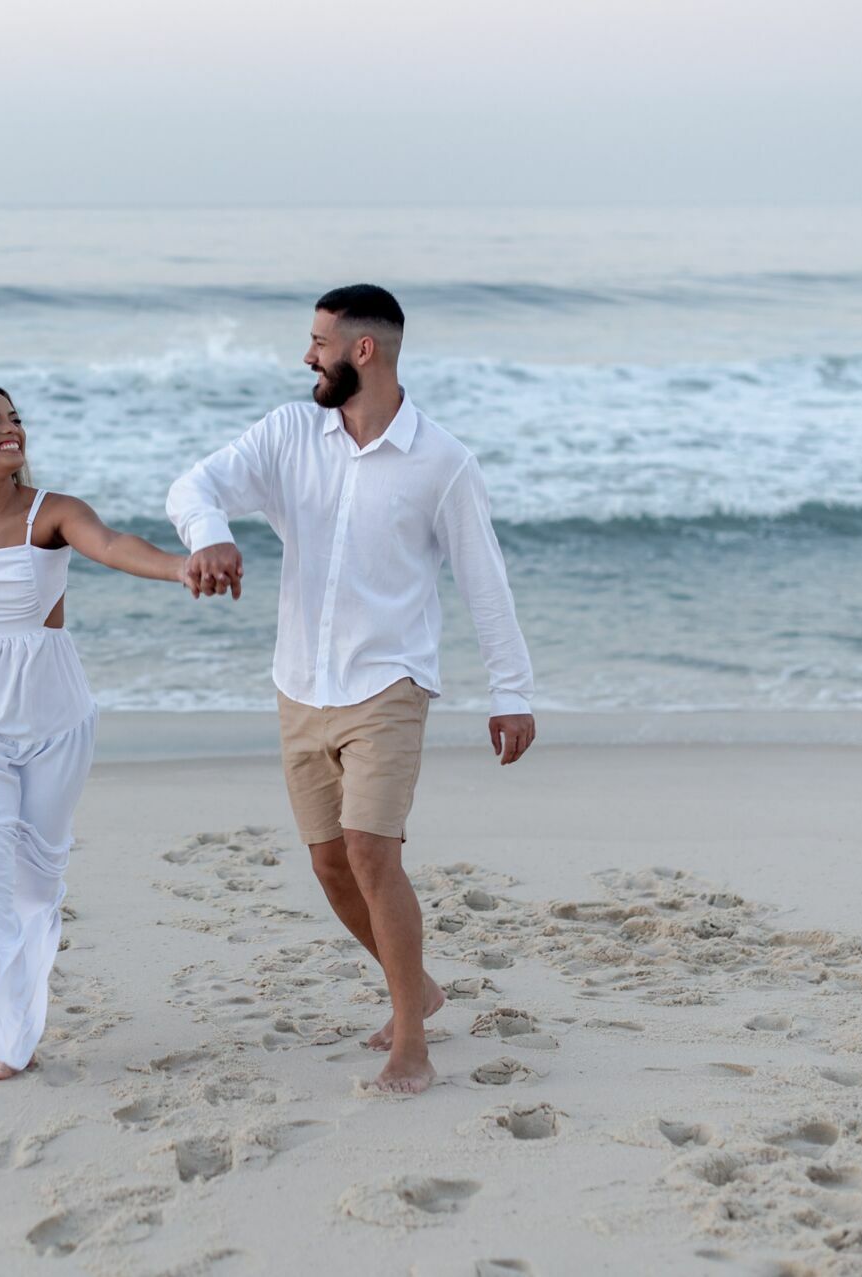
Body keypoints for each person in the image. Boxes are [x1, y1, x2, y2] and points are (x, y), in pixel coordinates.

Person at [166, 284, 537, 1094]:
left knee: (372, 851)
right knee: (332, 865)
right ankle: (419, 988)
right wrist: (212, 535)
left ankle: (413, 1043)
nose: (307, 355)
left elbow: (485, 583)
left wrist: (511, 691)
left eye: (318, 341)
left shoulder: (443, 462)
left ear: (362, 350)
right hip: (299, 681)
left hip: (389, 682)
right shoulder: (289, 433)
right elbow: (193, 486)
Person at [0, 385, 198, 1081]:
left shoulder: (52, 512)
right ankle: (4, 1031)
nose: (11, 428)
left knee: (35, 881)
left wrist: (180, 567)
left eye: (15, 417)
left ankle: (18, 1007)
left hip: (53, 714)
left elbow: (112, 545)